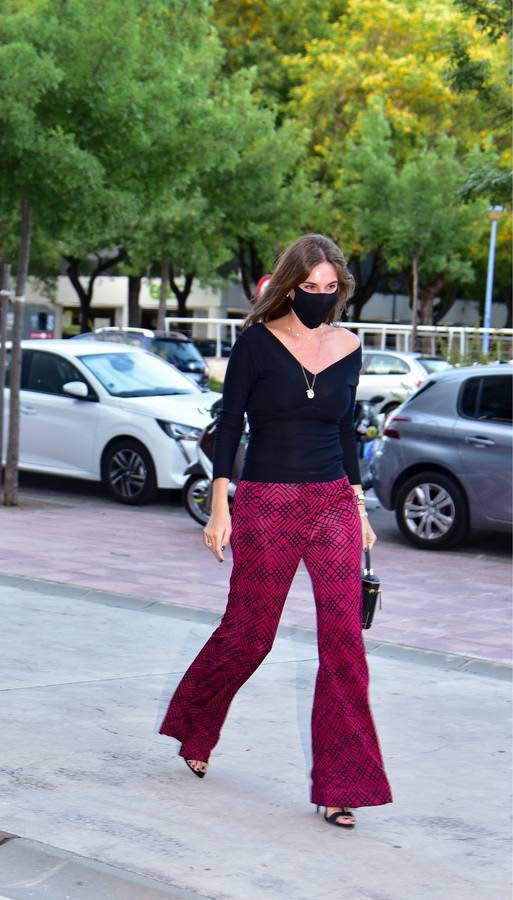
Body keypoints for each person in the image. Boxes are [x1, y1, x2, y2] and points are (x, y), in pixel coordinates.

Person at [160, 234, 391, 829]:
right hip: (266, 502)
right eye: (308, 287)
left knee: (344, 641)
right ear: (289, 285)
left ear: (339, 289)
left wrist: (360, 509)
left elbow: (345, 434)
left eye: (329, 288)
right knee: (250, 634)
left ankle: (343, 786)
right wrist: (220, 507)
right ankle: (193, 724)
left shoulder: (349, 346)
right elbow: (229, 425)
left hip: (333, 504)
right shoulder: (257, 345)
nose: (319, 297)